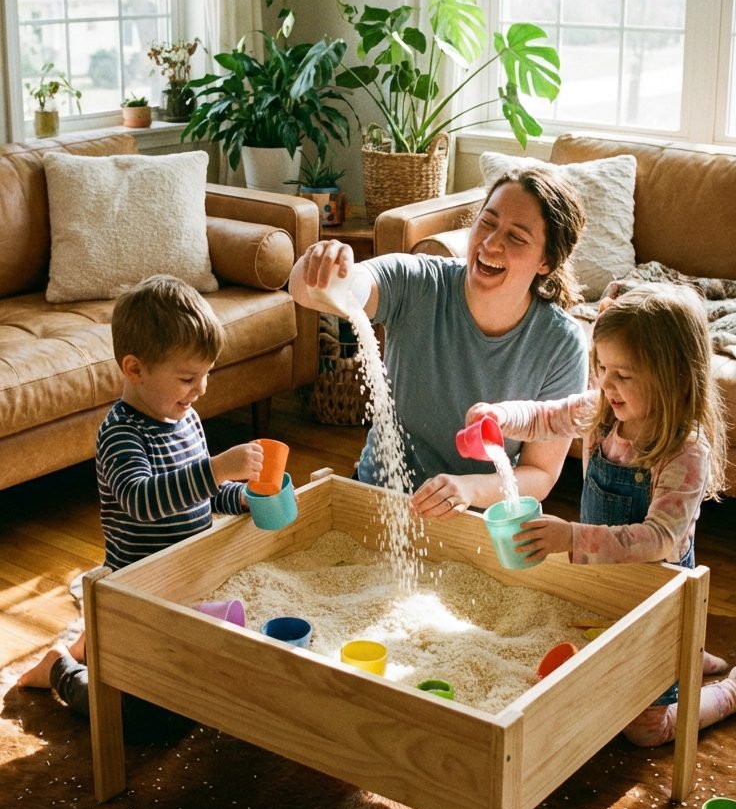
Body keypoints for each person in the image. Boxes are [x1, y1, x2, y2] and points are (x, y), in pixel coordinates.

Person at [466, 283, 736, 745]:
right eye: (602, 368)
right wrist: (502, 416)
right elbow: (546, 417)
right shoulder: (602, 411)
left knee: (646, 731)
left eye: (624, 375)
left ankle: (734, 688)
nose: (607, 384)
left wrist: (570, 537)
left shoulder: (685, 451)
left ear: (672, 377)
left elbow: (659, 539)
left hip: (658, 594)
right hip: (604, 583)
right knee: (588, 670)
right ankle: (692, 652)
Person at [18, 275, 265, 730]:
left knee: (203, 689)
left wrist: (241, 496)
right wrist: (216, 468)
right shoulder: (121, 433)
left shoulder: (183, 418)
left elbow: (199, 495)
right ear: (135, 370)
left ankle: (89, 642)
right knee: (140, 720)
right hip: (135, 586)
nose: (202, 390)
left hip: (182, 579)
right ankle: (60, 666)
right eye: (189, 378)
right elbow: (143, 501)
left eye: (206, 375)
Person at [289, 166, 589, 516]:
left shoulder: (561, 343)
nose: (491, 243)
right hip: (382, 496)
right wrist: (326, 267)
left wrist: (466, 489)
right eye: (488, 223)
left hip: (477, 515)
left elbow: (540, 473)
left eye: (516, 237)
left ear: (547, 260)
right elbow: (311, 290)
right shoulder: (417, 283)